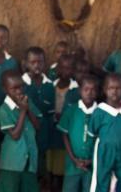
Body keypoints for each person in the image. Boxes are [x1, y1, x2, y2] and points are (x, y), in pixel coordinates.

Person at [87, 73, 121, 192]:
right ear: (105, 90)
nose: (114, 91)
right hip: (105, 150)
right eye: (111, 88)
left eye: (118, 88)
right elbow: (92, 132)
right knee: (101, 177)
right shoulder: (100, 111)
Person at [0, 70, 41, 192]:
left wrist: (28, 109)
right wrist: (22, 111)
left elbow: (37, 126)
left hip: (30, 161)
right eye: (14, 88)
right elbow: (15, 135)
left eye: (21, 87)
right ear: (5, 89)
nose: (19, 91)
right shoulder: (4, 110)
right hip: (11, 163)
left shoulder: (27, 102)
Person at [57, 75, 99, 192]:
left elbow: (102, 140)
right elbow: (64, 134)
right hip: (72, 164)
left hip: (92, 165)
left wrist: (91, 160)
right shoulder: (72, 110)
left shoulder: (100, 113)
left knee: (90, 188)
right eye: (86, 89)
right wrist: (73, 158)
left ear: (97, 92)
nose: (89, 93)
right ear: (80, 91)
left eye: (93, 90)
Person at [21, 46, 55, 189]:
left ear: (44, 63)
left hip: (43, 133)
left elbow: (50, 112)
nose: (36, 65)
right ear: (26, 64)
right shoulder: (21, 83)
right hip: (26, 131)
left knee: (41, 163)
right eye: (33, 62)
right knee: (27, 164)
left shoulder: (49, 85)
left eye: (40, 62)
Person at [49, 54, 80, 189]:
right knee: (50, 166)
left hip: (66, 135)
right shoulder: (50, 85)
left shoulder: (77, 90)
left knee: (60, 170)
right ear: (57, 68)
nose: (65, 71)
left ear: (73, 71)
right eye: (62, 68)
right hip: (51, 132)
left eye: (69, 68)